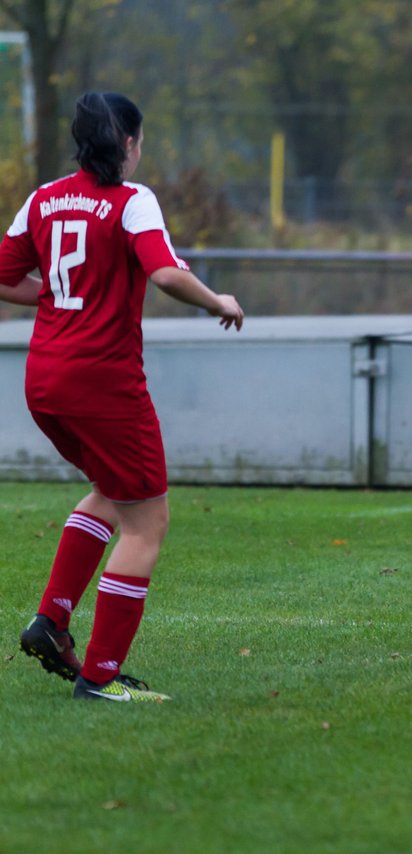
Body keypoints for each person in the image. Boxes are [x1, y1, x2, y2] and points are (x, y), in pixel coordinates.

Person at [0, 92, 244, 702]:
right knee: (147, 521)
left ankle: (52, 622)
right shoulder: (132, 202)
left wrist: (54, 300)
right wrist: (218, 301)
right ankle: (100, 679)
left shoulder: (44, 198)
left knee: (114, 492)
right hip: (103, 384)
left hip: (45, 383)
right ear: (130, 143)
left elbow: (2, 275)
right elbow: (164, 273)